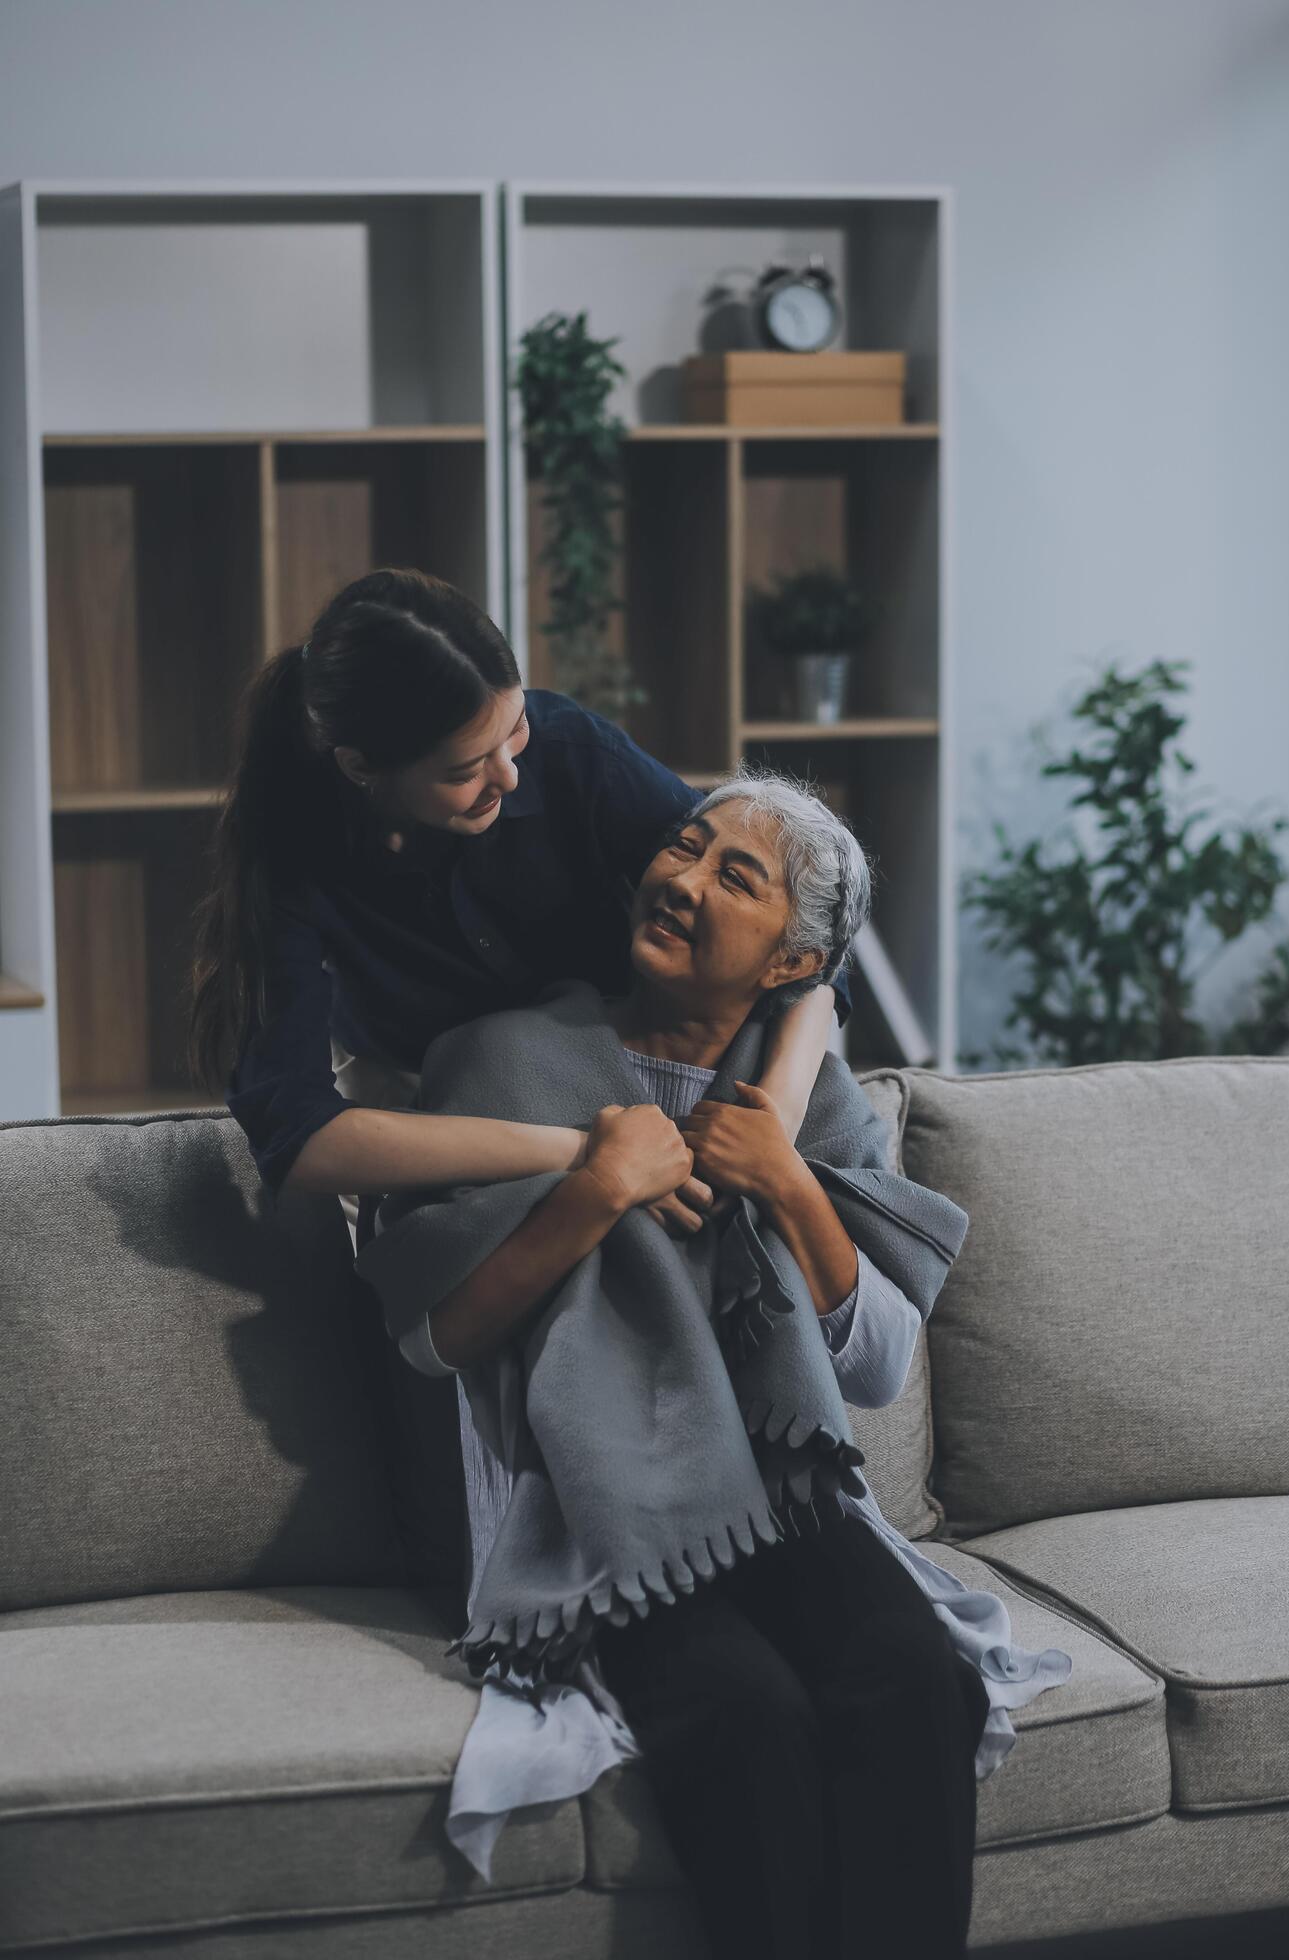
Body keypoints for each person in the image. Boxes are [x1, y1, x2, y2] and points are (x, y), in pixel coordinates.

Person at [355, 770, 1075, 1960]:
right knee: (742, 1711)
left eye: (732, 875)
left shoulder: (807, 1095)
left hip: (786, 1495)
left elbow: (880, 1368)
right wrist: (590, 1191)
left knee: (909, 1677)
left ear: (792, 964)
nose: (679, 879)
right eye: (682, 849)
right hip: (600, 1509)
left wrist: (787, 1180)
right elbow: (431, 1337)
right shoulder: (502, 1061)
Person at [188, 567, 851, 1241]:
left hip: (628, 1073)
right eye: (463, 769)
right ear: (361, 768)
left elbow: (803, 929)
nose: (507, 774)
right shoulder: (290, 861)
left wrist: (776, 1120)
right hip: (436, 1113)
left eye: (515, 730)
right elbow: (299, 1138)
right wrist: (583, 1156)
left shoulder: (569, 751)